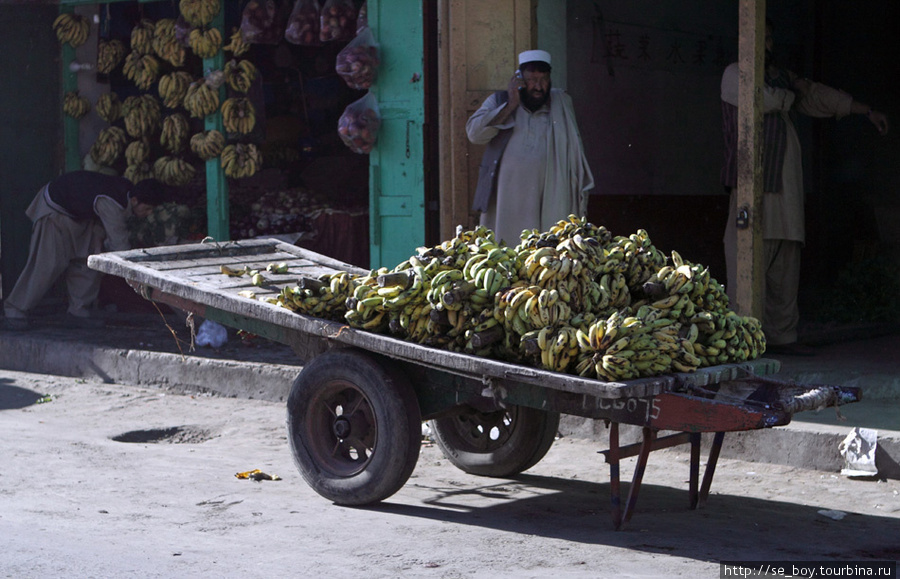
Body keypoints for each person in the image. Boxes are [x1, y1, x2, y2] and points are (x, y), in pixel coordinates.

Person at [720, 19, 889, 356]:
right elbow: (761, 98)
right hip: (753, 188)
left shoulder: (783, 78)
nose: (765, 45)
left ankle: (782, 338)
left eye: (768, 39)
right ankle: (745, 341)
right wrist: (788, 95)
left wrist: (864, 110)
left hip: (788, 192)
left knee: (785, 263)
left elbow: (815, 96)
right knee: (748, 261)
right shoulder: (734, 74)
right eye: (758, 38)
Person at [1, 171, 170, 331]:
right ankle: (14, 311)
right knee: (47, 264)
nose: (148, 214)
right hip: (55, 210)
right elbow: (121, 247)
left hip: (80, 217)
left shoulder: (124, 192)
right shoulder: (112, 203)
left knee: (87, 261)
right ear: (134, 201)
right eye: (147, 209)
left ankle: (78, 311)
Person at [467, 49, 594, 246]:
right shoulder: (499, 101)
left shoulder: (561, 104)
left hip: (551, 197)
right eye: (532, 80)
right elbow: (474, 134)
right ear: (519, 80)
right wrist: (510, 105)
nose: (538, 86)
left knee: (550, 254)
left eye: (543, 80)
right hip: (508, 199)